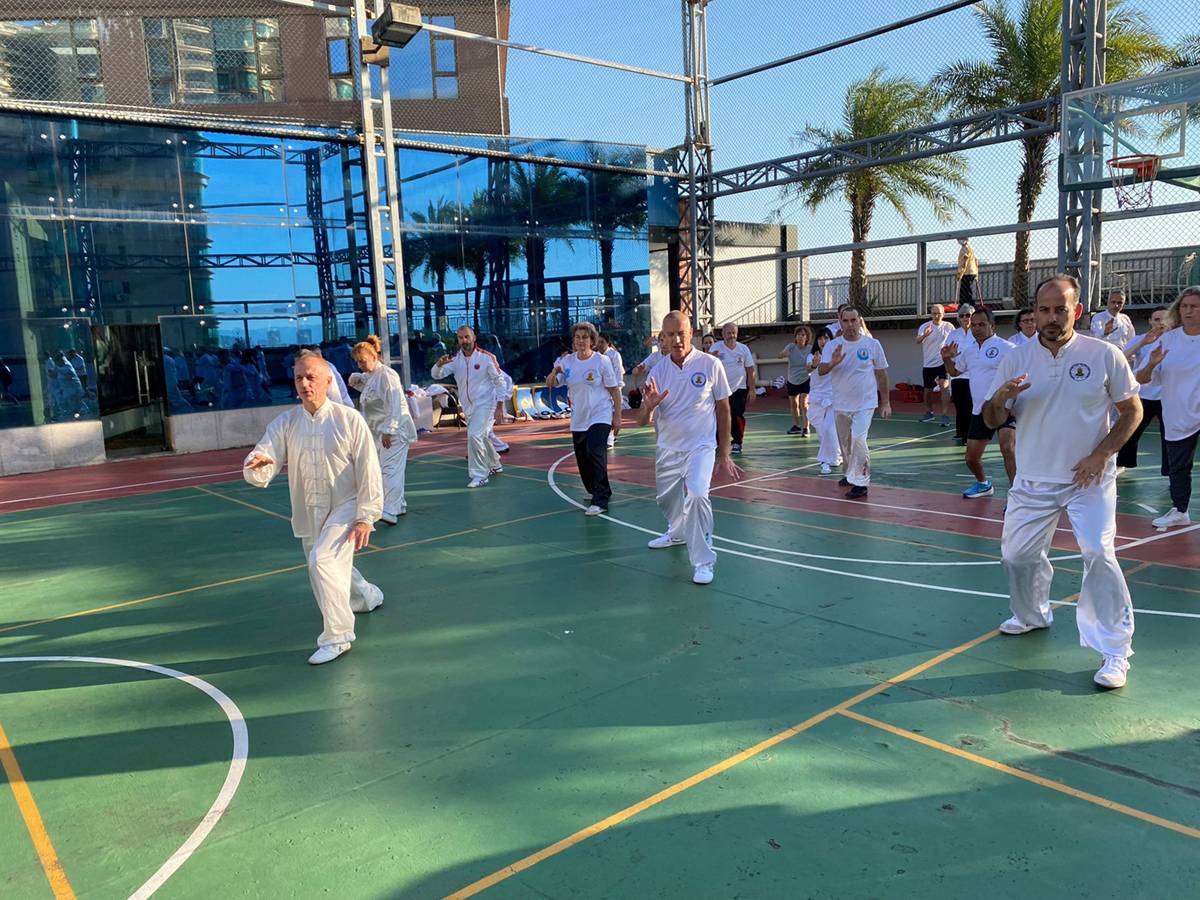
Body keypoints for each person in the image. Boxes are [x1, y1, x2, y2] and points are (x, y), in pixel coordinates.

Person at [984, 274, 1142, 689]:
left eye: (1060, 309)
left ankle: (1115, 650)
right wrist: (999, 399)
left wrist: (1101, 454)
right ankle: (1033, 614)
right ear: (1034, 313)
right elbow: (992, 418)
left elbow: (1132, 412)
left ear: (1078, 310)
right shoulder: (1016, 358)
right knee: (1017, 556)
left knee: (1099, 552)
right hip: (1033, 479)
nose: (1052, 317)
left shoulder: (1104, 354)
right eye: (1044, 310)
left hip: (1087, 479)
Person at [243, 354, 384, 665]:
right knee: (330, 564)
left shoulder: (349, 420)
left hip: (346, 506)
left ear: (328, 381)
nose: (305, 383)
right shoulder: (286, 423)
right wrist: (258, 463)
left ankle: (338, 637)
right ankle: (367, 596)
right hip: (308, 508)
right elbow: (265, 451)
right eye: (299, 378)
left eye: (311, 377)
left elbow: (369, 469)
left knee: (322, 560)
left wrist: (366, 516)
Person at [638, 311, 739, 585]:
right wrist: (648, 406)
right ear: (663, 338)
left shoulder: (710, 364)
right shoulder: (657, 371)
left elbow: (724, 408)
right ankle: (677, 532)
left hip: (701, 447)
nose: (676, 340)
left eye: (681, 333)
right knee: (666, 500)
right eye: (670, 335)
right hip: (667, 448)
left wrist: (724, 451)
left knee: (696, 495)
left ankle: (704, 561)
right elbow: (641, 421)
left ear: (691, 332)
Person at [1136, 286, 1200, 529]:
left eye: (1194, 306)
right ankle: (1180, 511)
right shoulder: (1168, 340)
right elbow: (1141, 378)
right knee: (1179, 466)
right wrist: (1151, 364)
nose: (1188, 311)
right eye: (1184, 306)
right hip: (1178, 413)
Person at [548, 322, 622, 515]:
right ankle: (598, 489)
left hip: (600, 414)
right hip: (579, 418)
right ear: (574, 340)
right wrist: (555, 372)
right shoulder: (567, 362)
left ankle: (600, 500)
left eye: (585, 337)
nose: (581, 341)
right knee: (583, 458)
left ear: (592, 340)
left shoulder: (601, 361)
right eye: (578, 337)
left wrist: (617, 416)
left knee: (596, 452)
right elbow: (552, 383)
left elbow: (614, 390)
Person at [942, 306, 1016, 498]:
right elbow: (955, 372)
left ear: (992, 326)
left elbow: (1021, 376)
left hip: (1005, 408)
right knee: (971, 459)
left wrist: (1011, 402)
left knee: (1007, 449)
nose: (976, 328)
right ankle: (983, 484)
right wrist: (947, 359)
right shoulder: (969, 351)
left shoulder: (1008, 348)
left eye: (982, 324)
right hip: (980, 411)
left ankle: (1017, 496)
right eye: (974, 325)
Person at [818, 306, 891, 498]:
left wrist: (885, 402)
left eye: (853, 320)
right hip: (841, 404)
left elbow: (882, 374)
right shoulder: (833, 346)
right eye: (846, 321)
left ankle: (861, 482)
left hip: (865, 403)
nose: (850, 324)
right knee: (846, 444)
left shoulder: (872, 344)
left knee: (858, 439)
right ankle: (850, 474)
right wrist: (833, 363)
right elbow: (821, 370)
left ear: (859, 321)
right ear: (840, 322)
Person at [349, 335, 417, 524]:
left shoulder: (387, 375)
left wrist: (389, 430)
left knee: (390, 469)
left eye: (362, 361)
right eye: (357, 362)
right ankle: (399, 504)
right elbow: (370, 390)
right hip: (380, 432)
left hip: (396, 431)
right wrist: (356, 378)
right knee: (385, 468)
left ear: (374, 357)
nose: (360, 365)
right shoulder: (372, 376)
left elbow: (395, 404)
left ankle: (391, 510)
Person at [432, 325, 507, 487]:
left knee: (474, 435)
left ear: (474, 338)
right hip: (468, 407)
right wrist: (438, 364)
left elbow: (500, 382)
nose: (464, 340)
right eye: (460, 338)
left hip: (486, 404)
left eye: (467, 337)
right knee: (481, 436)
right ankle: (495, 463)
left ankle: (480, 475)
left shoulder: (486, 358)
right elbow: (436, 375)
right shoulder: (455, 360)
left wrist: (500, 405)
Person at [1117, 307, 1167, 475]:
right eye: (1157, 319)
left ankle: (1171, 472)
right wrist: (1142, 343)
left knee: (1168, 435)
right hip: (1143, 393)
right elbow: (1120, 360)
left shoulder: (1174, 340)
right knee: (1131, 429)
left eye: (1165, 319)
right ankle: (1122, 463)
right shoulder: (1141, 339)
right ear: (1150, 321)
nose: (1161, 323)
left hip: (1166, 396)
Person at [710, 322, 756, 453]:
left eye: (734, 333)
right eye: (729, 333)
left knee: (736, 415)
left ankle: (737, 442)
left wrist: (752, 389)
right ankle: (717, 442)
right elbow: (707, 365)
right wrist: (712, 357)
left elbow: (750, 369)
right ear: (723, 334)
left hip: (739, 388)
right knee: (718, 416)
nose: (732, 336)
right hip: (720, 389)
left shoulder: (743, 349)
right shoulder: (716, 347)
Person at [807, 327, 842, 475]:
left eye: (826, 338)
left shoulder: (836, 356)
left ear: (831, 340)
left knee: (829, 429)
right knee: (822, 432)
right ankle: (835, 455)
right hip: (816, 398)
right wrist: (814, 364)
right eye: (820, 338)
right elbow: (808, 368)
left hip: (833, 398)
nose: (823, 341)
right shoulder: (812, 356)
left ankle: (824, 461)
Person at [915, 304, 954, 426]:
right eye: (934, 313)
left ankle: (945, 415)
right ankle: (929, 412)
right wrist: (925, 335)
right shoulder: (924, 326)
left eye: (939, 313)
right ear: (931, 314)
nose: (936, 316)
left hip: (943, 362)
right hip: (928, 364)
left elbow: (955, 341)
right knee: (927, 391)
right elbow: (917, 341)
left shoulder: (949, 326)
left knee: (944, 386)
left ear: (943, 314)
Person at [947, 304, 975, 444]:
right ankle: (960, 432)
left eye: (968, 315)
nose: (965, 318)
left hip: (973, 375)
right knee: (959, 404)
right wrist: (951, 355)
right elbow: (946, 352)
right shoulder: (953, 334)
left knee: (970, 405)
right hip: (957, 375)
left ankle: (969, 435)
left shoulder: (977, 332)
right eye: (962, 315)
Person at [779, 325, 813, 435]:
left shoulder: (810, 349)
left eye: (803, 335)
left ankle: (806, 427)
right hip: (792, 379)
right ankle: (796, 426)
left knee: (804, 403)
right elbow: (780, 355)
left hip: (805, 379)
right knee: (794, 404)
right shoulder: (791, 347)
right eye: (798, 335)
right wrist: (783, 354)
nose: (800, 337)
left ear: (807, 337)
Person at [597, 332, 626, 448]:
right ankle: (609, 437)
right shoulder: (596, 356)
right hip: (602, 391)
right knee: (604, 414)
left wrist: (617, 389)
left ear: (608, 343)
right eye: (598, 342)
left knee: (613, 414)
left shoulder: (614, 355)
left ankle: (611, 438)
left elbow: (618, 372)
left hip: (614, 389)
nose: (599, 344)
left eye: (602, 342)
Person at [489, 367, 514, 455]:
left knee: (484, 428)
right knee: (483, 429)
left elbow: (506, 380)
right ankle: (500, 446)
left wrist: (501, 399)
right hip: (480, 401)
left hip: (491, 400)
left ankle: (499, 446)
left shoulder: (488, 364)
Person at [956, 237, 980, 305]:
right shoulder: (970, 248)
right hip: (972, 271)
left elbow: (965, 261)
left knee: (966, 291)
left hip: (967, 272)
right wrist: (976, 273)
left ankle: (970, 305)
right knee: (966, 290)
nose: (959, 241)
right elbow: (976, 261)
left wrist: (960, 273)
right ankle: (965, 304)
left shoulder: (965, 248)